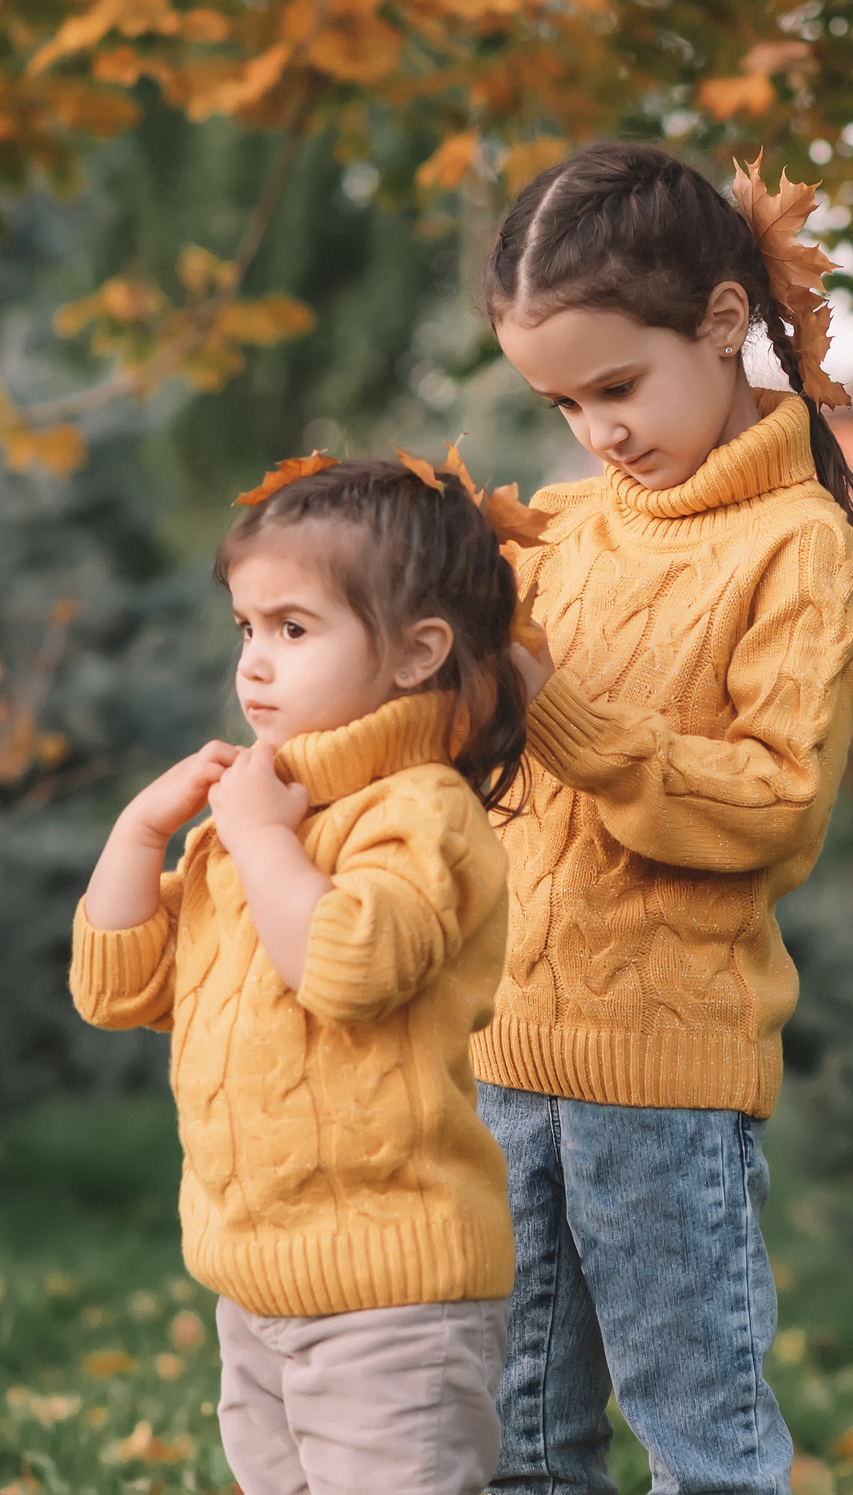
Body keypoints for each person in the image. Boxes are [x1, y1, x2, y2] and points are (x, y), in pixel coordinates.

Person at [475, 140, 853, 1495]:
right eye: (563, 404)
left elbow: (771, 805)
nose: (599, 432)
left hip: (662, 1075)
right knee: (518, 1430)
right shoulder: (565, 529)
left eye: (618, 386)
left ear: (722, 322)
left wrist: (566, 717)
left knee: (699, 1435)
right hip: (497, 1049)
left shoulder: (795, 545)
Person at [69, 453, 537, 1495]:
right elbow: (120, 987)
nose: (254, 663)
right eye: (245, 627)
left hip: (394, 1296)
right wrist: (141, 832)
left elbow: (344, 965)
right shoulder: (264, 808)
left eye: (293, 628)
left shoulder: (419, 812)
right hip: (254, 1285)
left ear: (417, 652)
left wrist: (258, 838)